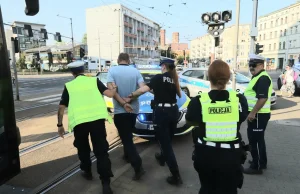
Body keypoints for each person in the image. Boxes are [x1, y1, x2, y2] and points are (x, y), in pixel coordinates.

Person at [185, 60, 248, 194]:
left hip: (205, 156)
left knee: (207, 189)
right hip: (231, 157)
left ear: (208, 77)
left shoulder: (199, 101)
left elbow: (190, 121)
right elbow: (242, 118)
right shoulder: (239, 100)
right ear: (228, 78)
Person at [57, 61, 116, 194]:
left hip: (80, 123)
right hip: (97, 121)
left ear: (72, 73)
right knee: (101, 152)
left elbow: (61, 107)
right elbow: (110, 95)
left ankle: (87, 171)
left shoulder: (69, 86)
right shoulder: (94, 81)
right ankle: (106, 184)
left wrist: (60, 125)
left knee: (83, 148)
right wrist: (114, 88)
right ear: (83, 69)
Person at [127, 58, 183, 186]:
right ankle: (162, 157)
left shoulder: (158, 78)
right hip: (173, 111)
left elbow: (142, 90)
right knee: (168, 139)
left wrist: (131, 95)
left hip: (162, 112)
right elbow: (178, 95)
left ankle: (176, 176)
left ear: (163, 66)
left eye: (161, 66)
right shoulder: (174, 79)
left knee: (166, 145)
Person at [107, 53, 146, 180]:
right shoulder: (135, 71)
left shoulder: (112, 71)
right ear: (128, 60)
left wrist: (123, 103)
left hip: (120, 111)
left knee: (127, 139)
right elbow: (143, 88)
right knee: (127, 135)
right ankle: (127, 155)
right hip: (133, 111)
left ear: (118, 60)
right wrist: (130, 98)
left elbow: (112, 92)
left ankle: (138, 166)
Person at [243, 54, 272, 174]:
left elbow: (262, 98)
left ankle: (257, 166)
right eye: (250, 65)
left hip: (258, 115)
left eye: (253, 65)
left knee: (255, 140)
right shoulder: (257, 76)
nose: (251, 67)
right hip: (257, 115)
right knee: (258, 139)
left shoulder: (263, 78)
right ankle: (261, 161)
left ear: (261, 65)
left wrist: (253, 113)